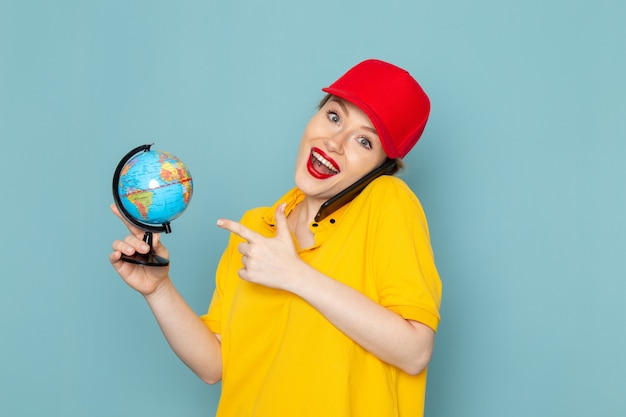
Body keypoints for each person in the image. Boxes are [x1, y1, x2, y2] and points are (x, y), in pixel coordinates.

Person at [110, 59, 442, 417]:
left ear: (380, 167)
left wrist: (295, 275)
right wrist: (159, 290)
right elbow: (214, 365)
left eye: (364, 141)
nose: (335, 142)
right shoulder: (257, 226)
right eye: (334, 116)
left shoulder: (387, 202)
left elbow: (414, 351)